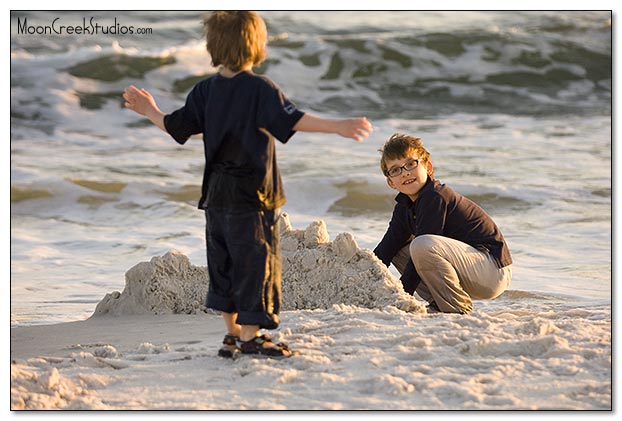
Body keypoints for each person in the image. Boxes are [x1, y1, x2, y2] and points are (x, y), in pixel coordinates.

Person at [123, 11, 373, 358]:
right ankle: (252, 338)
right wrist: (339, 126)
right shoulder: (260, 89)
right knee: (257, 265)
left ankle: (232, 335)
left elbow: (174, 126)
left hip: (215, 198)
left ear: (215, 45)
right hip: (253, 198)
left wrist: (150, 110)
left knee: (223, 264)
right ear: (255, 45)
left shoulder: (204, 90)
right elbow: (293, 119)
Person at [373, 134, 512, 314]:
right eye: (395, 170)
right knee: (399, 249)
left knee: (422, 244)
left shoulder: (435, 196)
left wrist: (400, 296)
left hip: (492, 269)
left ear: (428, 167)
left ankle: (455, 307)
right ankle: (438, 302)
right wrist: (362, 281)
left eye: (410, 164)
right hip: (469, 269)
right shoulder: (404, 208)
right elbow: (384, 251)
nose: (405, 172)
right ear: (391, 182)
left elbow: (424, 247)